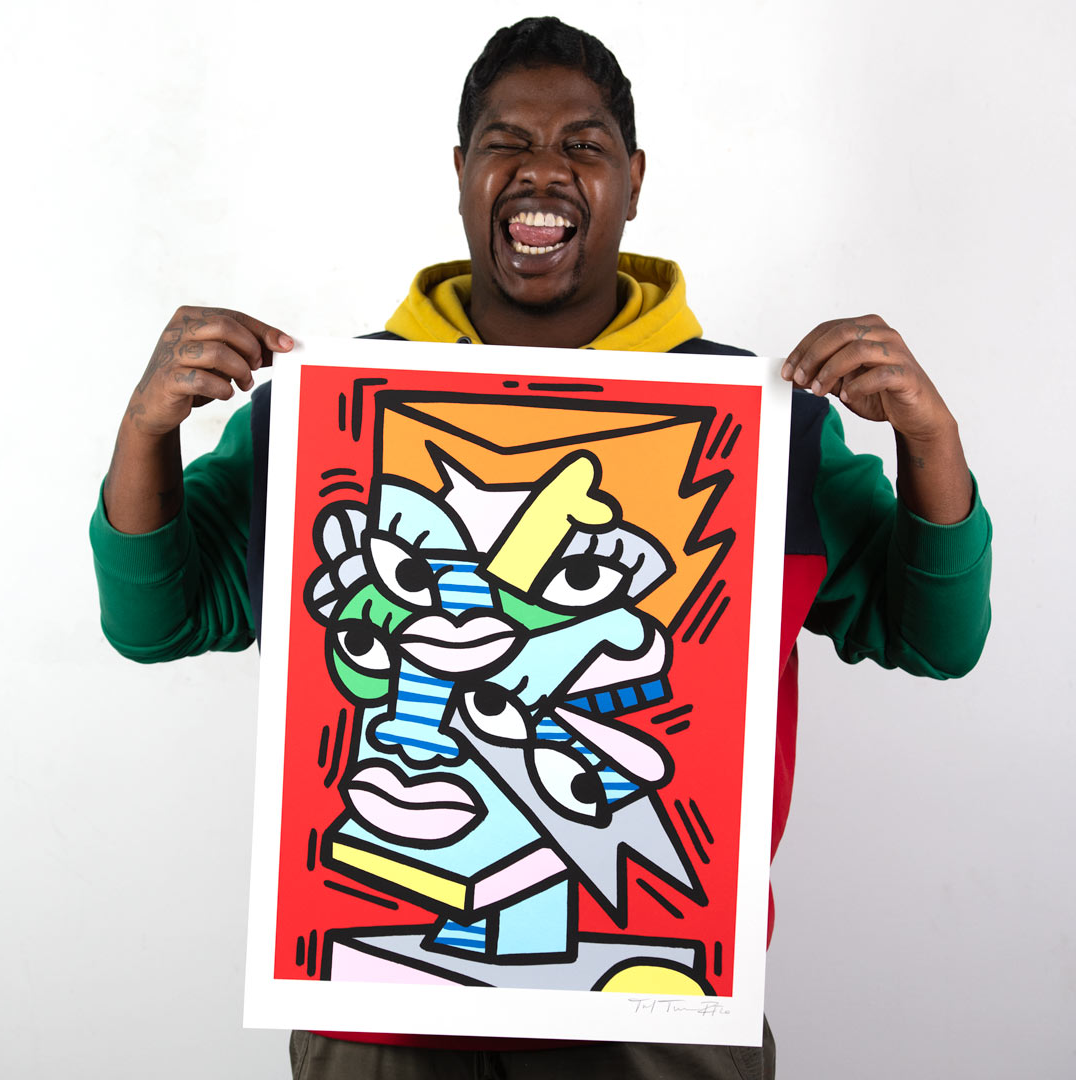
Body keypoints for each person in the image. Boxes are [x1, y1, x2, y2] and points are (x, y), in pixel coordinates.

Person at [90, 16, 991, 1080]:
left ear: (634, 180)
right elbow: (157, 621)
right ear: (460, 172)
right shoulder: (328, 414)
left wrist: (931, 440)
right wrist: (146, 430)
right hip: (375, 1016)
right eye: (507, 141)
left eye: (583, 145)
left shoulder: (759, 424)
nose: (543, 170)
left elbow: (934, 637)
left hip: (659, 1017)